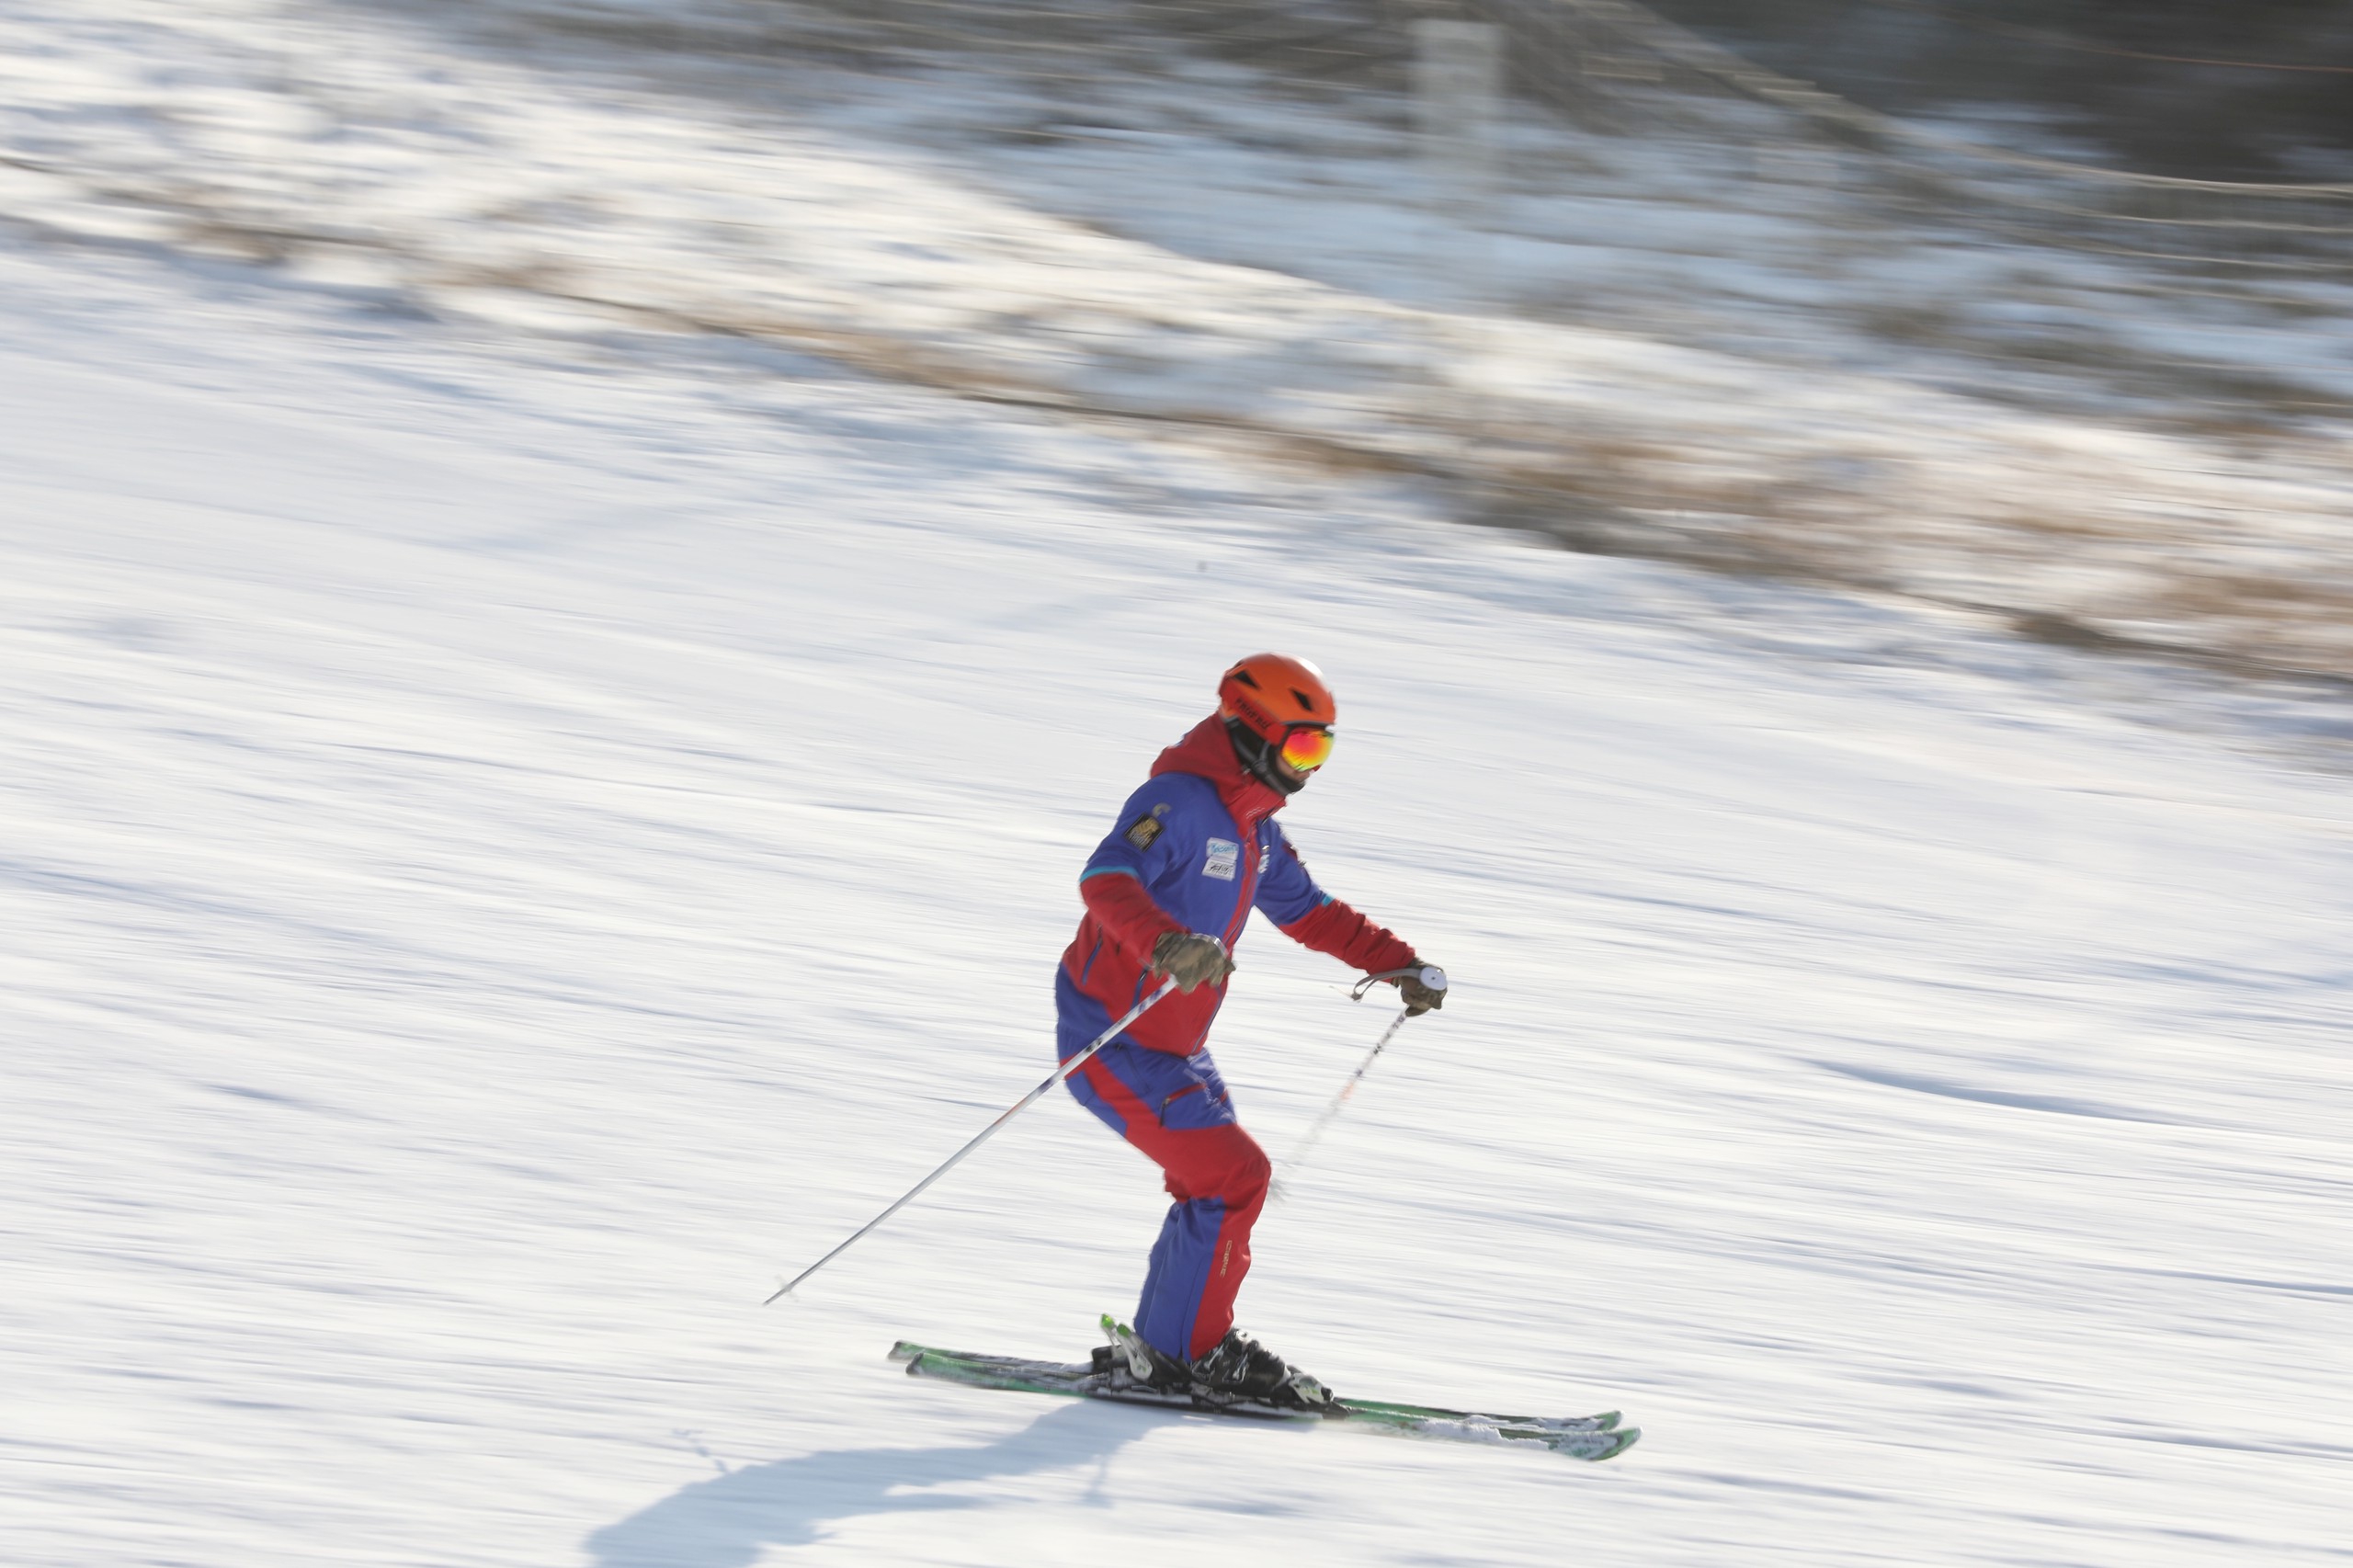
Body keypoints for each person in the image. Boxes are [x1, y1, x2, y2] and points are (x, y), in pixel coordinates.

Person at [1057, 653, 1445, 1408]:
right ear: (1257, 732)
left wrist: (1397, 963)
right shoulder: (1176, 802)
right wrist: (1164, 942)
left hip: (1175, 1048)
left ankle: (1167, 1350)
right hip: (1113, 1038)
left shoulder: (1253, 827)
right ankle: (1193, 1353)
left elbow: (1310, 912)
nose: (1311, 769)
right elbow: (1105, 879)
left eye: (1322, 751)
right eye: (1303, 747)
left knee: (1218, 1183)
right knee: (1235, 1176)